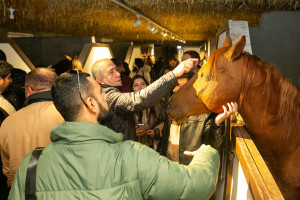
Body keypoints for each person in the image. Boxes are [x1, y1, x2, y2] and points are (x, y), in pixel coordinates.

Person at [9, 70, 220, 200]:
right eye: (100, 92)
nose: (105, 96)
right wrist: (206, 154)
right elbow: (196, 186)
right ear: (91, 103)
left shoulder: (31, 165)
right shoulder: (131, 156)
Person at [91, 58, 197, 141]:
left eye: (116, 69)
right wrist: (174, 74)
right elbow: (139, 99)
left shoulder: (110, 92)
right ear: (100, 80)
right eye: (111, 72)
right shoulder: (107, 96)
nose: (118, 74)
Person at [0, 68, 64, 187]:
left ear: (29, 90)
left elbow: (7, 169)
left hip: (23, 190)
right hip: (61, 189)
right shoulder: (68, 116)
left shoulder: (8, 122)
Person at [160, 72, 238, 165]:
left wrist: (218, 122)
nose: (175, 90)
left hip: (188, 170)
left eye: (180, 87)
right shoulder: (172, 108)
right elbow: (165, 139)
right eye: (175, 86)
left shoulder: (204, 113)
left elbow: (213, 145)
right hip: (167, 166)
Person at [130, 75, 167, 150]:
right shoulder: (129, 106)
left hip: (155, 147)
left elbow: (166, 122)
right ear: (132, 89)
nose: (140, 87)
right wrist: (134, 133)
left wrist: (156, 132)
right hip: (135, 148)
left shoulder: (158, 103)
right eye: (136, 85)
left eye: (143, 84)